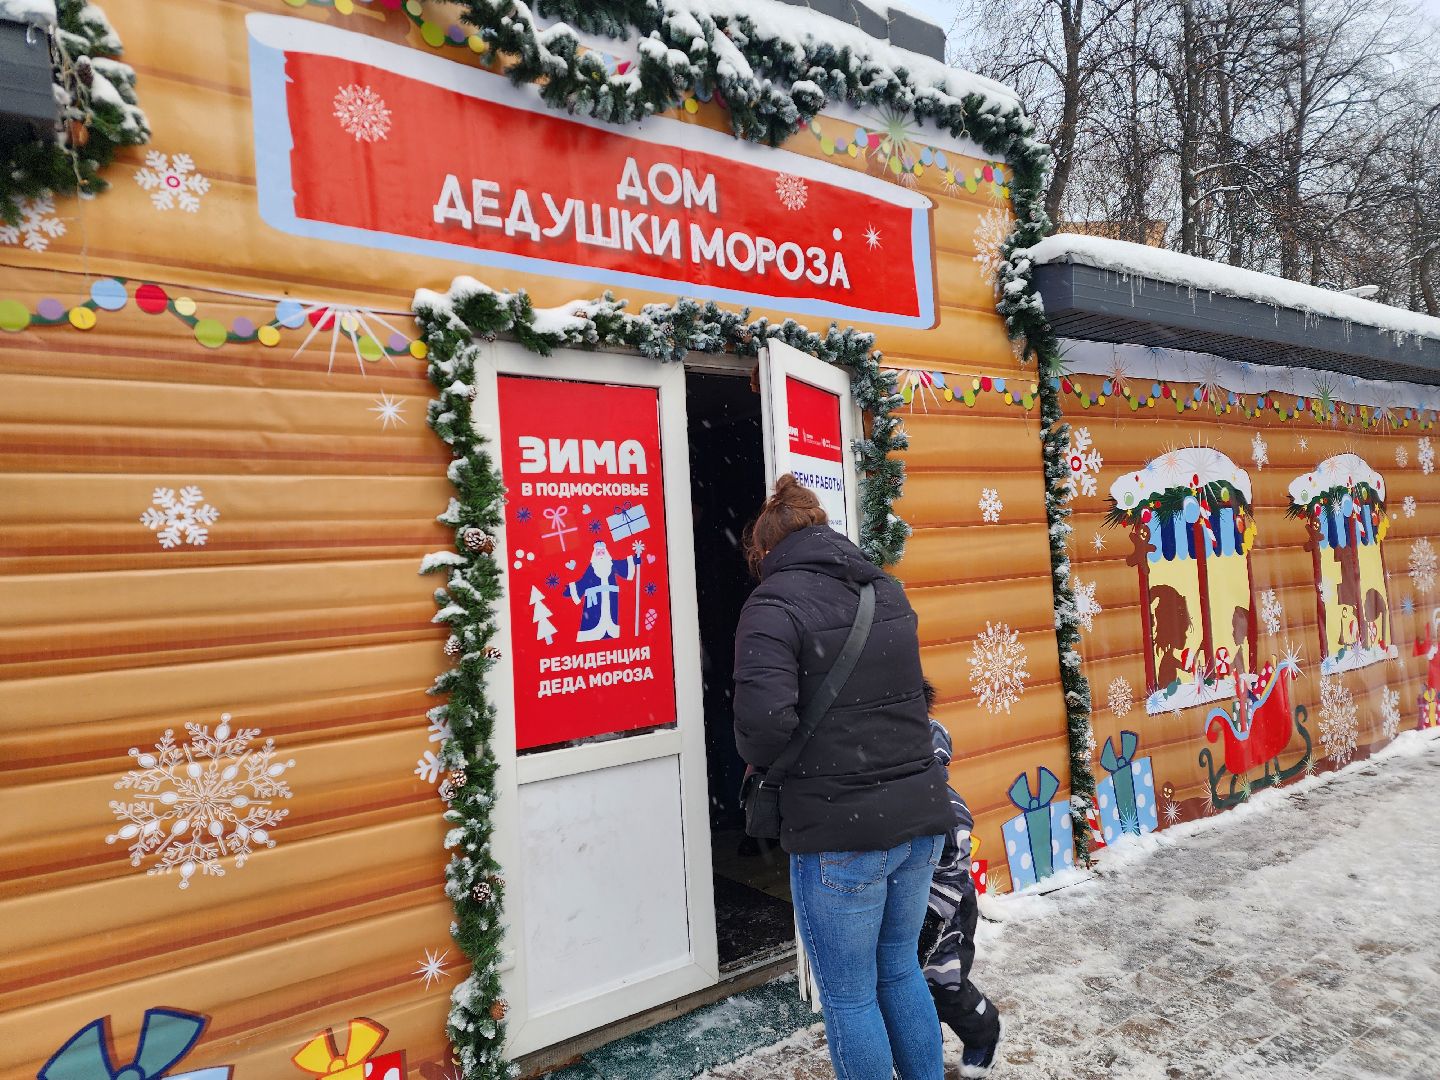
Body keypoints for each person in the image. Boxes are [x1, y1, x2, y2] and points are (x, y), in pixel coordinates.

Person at [732, 475, 954, 1080]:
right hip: (919, 817)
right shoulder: (884, 588)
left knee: (851, 998)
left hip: (841, 832)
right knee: (900, 970)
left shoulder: (772, 604)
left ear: (765, 550)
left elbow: (762, 726)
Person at [918, 679, 1003, 1078]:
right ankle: (921, 1054)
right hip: (915, 908)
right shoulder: (904, 801)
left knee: (946, 985)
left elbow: (955, 868)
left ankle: (983, 1029)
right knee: (913, 991)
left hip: (948, 911)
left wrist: (933, 918)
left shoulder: (949, 807)